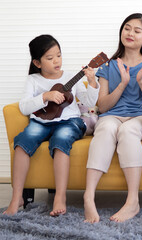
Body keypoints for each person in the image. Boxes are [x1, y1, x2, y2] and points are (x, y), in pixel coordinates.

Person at [2, 34, 99, 217]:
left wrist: (92, 82)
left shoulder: (72, 77)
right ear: (37, 63)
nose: (56, 61)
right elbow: (23, 107)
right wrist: (45, 97)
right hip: (41, 121)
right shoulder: (33, 80)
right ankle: (17, 198)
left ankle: (60, 197)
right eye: (50, 58)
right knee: (22, 142)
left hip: (69, 122)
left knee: (61, 141)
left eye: (59, 55)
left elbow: (89, 100)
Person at [83, 13, 142, 223]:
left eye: (137, 31)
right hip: (113, 115)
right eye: (127, 28)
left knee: (128, 131)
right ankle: (88, 197)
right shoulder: (108, 66)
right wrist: (123, 84)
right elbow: (103, 106)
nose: (130, 33)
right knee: (105, 128)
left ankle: (132, 201)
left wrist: (141, 82)